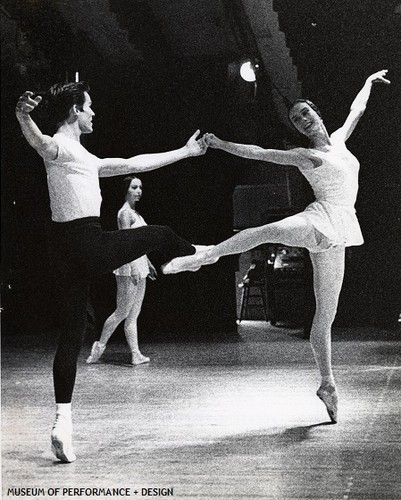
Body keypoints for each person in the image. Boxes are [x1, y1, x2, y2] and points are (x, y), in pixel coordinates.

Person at [162, 70, 391, 424]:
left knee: (325, 317)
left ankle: (327, 384)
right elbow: (260, 153)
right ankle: (204, 255)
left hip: (340, 230)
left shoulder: (341, 143)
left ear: (317, 114)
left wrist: (366, 82)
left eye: (305, 113)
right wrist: (222, 144)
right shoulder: (305, 155)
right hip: (319, 218)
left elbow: (355, 112)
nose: (302, 119)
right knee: (266, 230)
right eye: (296, 119)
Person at [15, 81, 207, 463]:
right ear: (74, 111)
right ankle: (196, 255)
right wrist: (23, 115)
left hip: (62, 252)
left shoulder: (86, 159)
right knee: (160, 234)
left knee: (71, 337)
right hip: (84, 243)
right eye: (89, 107)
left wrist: (184, 152)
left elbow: (137, 162)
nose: (93, 113)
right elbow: (39, 142)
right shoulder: (61, 146)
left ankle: (62, 424)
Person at [87, 175, 155, 366]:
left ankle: (136, 354)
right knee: (122, 311)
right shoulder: (125, 213)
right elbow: (125, 243)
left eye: (140, 187)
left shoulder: (136, 214)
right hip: (129, 266)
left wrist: (146, 263)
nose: (139, 191)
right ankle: (98, 348)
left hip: (139, 264)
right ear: (126, 190)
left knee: (134, 313)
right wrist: (133, 266)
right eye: (134, 187)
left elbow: (139, 244)